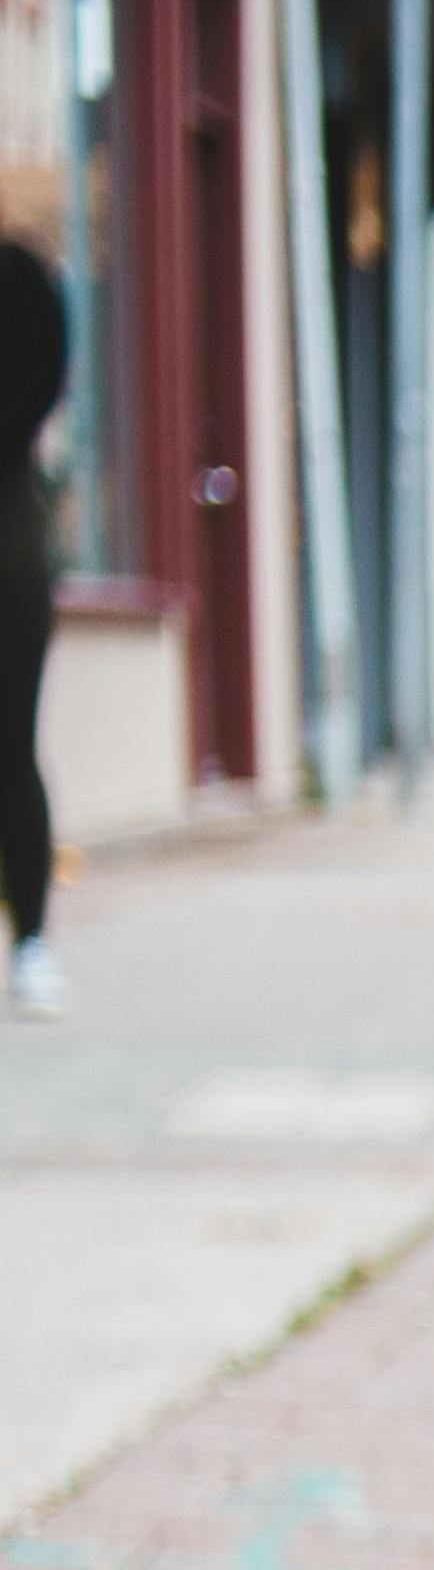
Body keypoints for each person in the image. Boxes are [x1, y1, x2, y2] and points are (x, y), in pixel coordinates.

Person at [0, 239, 63, 1017]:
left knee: (10, 748)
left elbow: (36, 387)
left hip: (7, 549)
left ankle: (32, 941)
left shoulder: (18, 280)